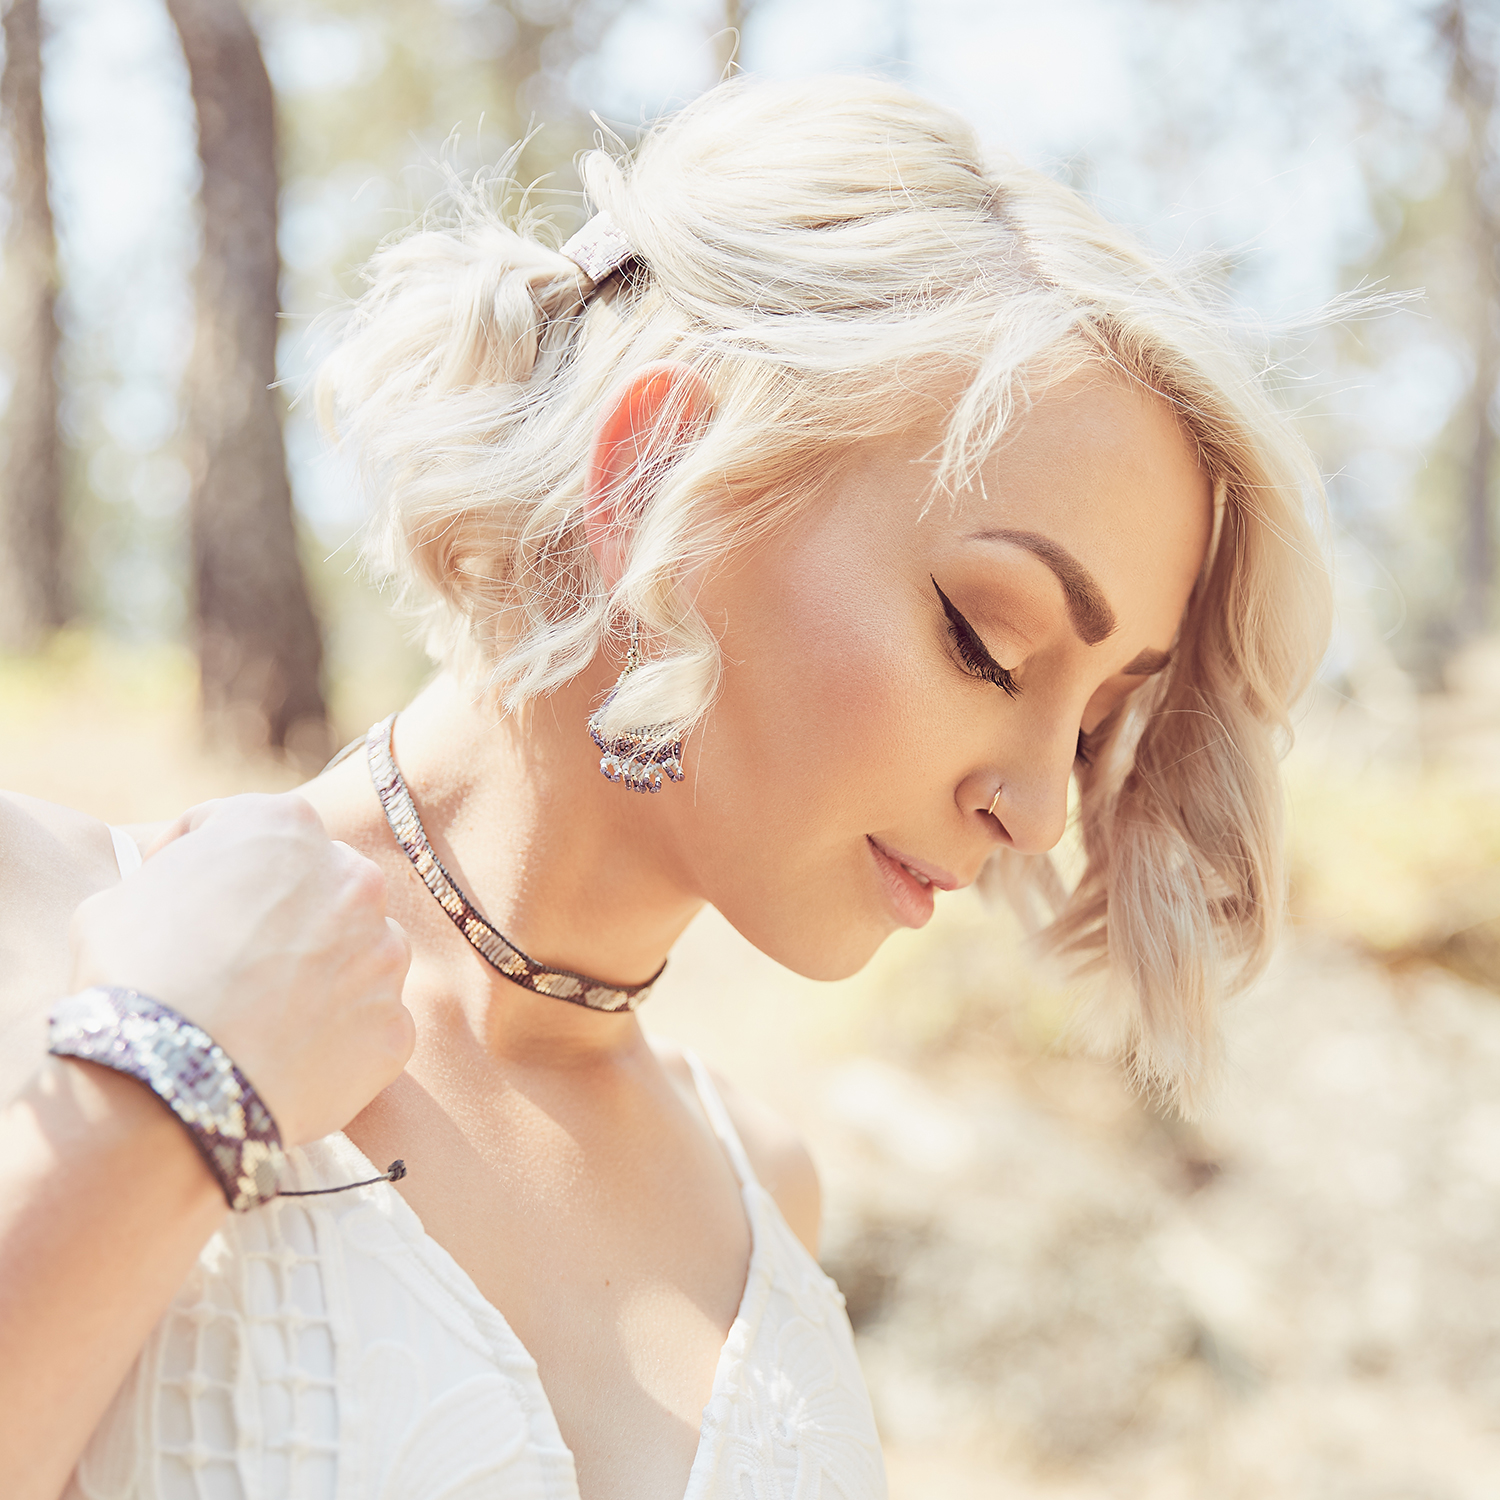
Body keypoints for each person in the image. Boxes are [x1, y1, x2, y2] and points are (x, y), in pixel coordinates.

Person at [3, 73, 1330, 1500]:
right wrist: (164, 1083)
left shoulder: (769, 1192)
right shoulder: (48, 922)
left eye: (1095, 723)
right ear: (652, 479)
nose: (1041, 813)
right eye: (986, 642)